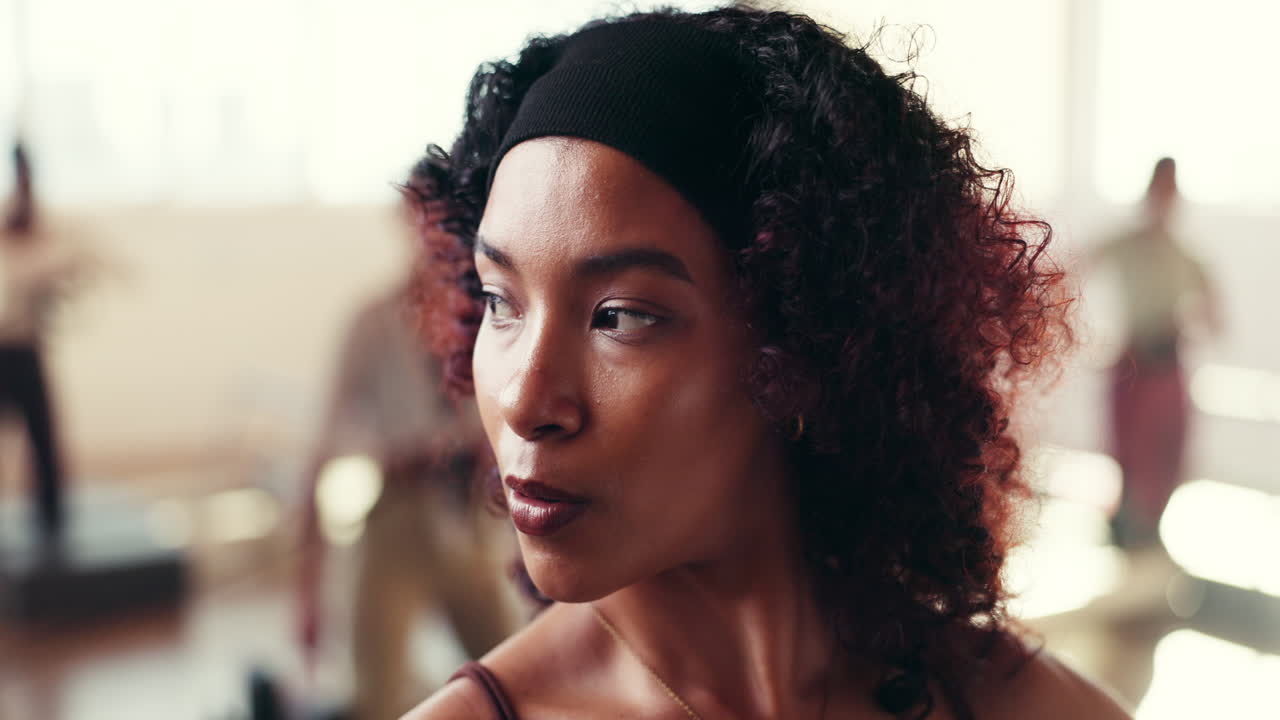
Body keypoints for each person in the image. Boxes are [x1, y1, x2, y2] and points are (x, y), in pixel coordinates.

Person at [405, 8, 1130, 720]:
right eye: (501, 302)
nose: (526, 401)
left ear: (805, 348)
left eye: (619, 317)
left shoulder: (1024, 706)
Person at [296, 161, 527, 720]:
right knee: (375, 693)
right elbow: (322, 449)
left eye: (445, 215)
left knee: (512, 680)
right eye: (422, 213)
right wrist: (306, 588)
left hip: (472, 524)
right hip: (398, 518)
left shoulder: (491, 316)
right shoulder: (374, 323)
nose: (433, 229)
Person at [1093, 157, 1219, 548]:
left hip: (1167, 368)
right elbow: (1075, 265)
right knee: (1128, 453)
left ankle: (1149, 528)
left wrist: (1191, 322)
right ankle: (1126, 526)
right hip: (1134, 366)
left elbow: (1214, 317)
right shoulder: (1125, 245)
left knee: (1164, 456)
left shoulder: (1187, 257)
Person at [0, 140, 80, 543]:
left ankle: (52, 526)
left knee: (44, 438)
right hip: (4, 347)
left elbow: (57, 266)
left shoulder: (42, 224)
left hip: (26, 349)